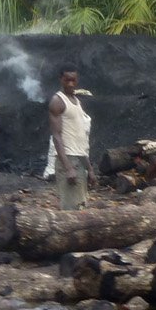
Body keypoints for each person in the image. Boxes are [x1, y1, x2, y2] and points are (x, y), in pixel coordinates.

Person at [48, 64, 94, 210]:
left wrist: (90, 169)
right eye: (67, 80)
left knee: (80, 207)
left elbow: (80, 140)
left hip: (79, 161)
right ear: (61, 79)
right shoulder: (58, 101)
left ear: (77, 80)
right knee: (70, 212)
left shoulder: (76, 101)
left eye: (73, 80)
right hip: (67, 160)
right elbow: (56, 136)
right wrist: (68, 168)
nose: (70, 84)